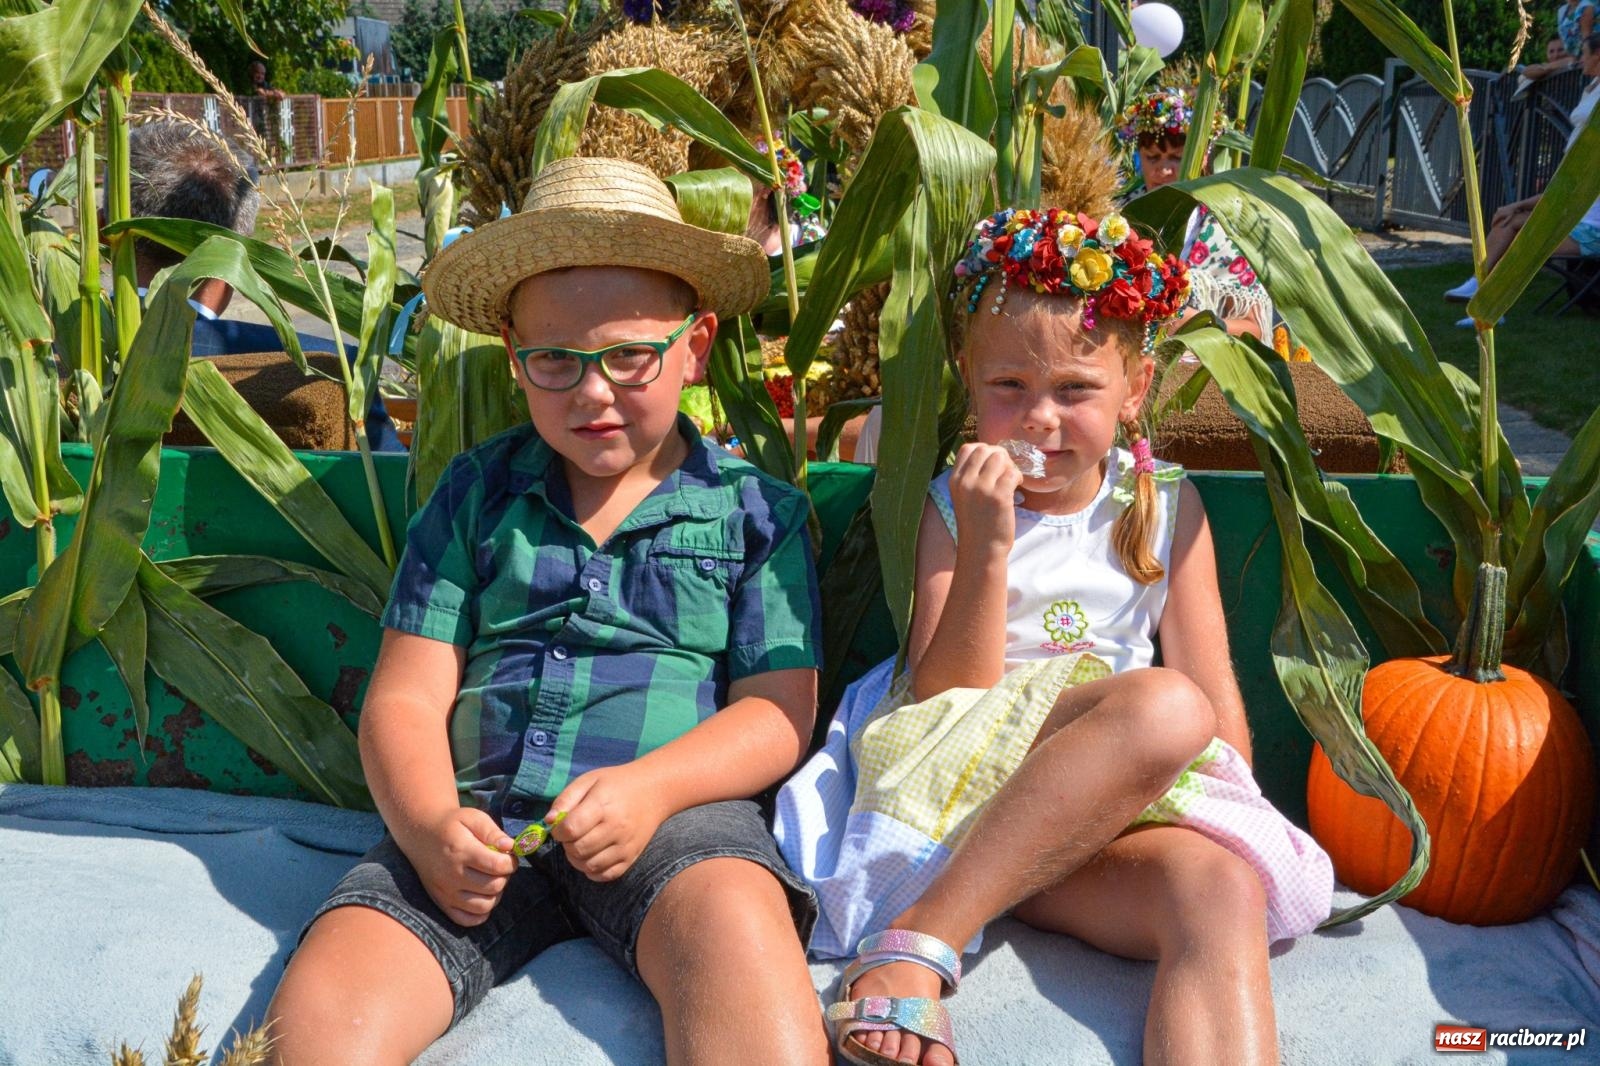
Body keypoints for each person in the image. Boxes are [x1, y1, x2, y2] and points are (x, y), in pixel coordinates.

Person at [266, 155, 830, 1065]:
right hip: (478, 824)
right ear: (514, 356)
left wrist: (651, 790)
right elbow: (406, 699)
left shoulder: (754, 511)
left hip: (679, 816)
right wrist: (427, 827)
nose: (592, 391)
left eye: (630, 356)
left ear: (697, 345)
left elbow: (776, 713)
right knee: (314, 1026)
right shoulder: (477, 495)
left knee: (739, 944)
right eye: (554, 361)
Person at [776, 205, 1334, 1065]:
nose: (1040, 418)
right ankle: (920, 937)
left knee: (1221, 891)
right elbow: (944, 695)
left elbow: (1215, 690)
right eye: (1009, 389)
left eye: (1076, 390)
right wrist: (988, 542)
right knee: (1163, 709)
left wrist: (1233, 811)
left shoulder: (1168, 507)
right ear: (969, 379)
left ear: (1136, 389)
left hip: (1089, 823)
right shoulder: (949, 509)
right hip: (960, 788)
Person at [126, 119, 403, 451]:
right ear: (239, 258)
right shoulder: (333, 371)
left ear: (103, 229)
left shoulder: (57, 351)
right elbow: (396, 485)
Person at [1444, 30, 1600, 322]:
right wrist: (1516, 206)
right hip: (1574, 215)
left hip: (1593, 232)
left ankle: (1488, 298)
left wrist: (1518, 206)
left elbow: (1569, 193)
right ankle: (1484, 293)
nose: (1579, 59)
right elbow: (1562, 192)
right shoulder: (1591, 88)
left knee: (1516, 226)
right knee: (1509, 219)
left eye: (1584, 53)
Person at [1119, 86, 1274, 341]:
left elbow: (1254, 328)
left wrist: (1198, 324)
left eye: (1176, 158)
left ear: (1202, 157)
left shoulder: (1230, 227)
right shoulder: (1118, 217)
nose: (1163, 170)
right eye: (1153, 158)